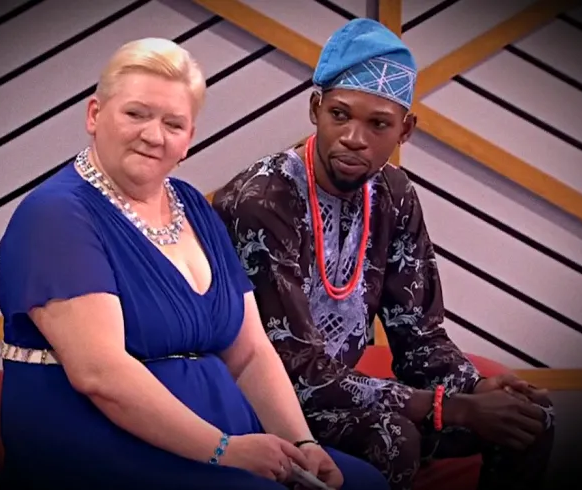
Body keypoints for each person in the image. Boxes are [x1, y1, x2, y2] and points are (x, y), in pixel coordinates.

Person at [0, 37, 390, 490]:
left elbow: (250, 351)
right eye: (136, 114)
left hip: (224, 442)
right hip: (105, 448)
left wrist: (301, 443)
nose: (153, 135)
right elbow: (100, 375)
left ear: (189, 140)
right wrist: (225, 451)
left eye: (173, 123)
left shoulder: (193, 205)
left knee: (363, 484)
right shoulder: (56, 215)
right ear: (94, 115)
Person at [212, 19, 555, 490]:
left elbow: (419, 335)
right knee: (392, 438)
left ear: (405, 129)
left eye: (378, 124)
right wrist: (448, 407)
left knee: (529, 420)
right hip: (261, 401)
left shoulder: (393, 194)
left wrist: (475, 387)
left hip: (346, 399)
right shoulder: (263, 200)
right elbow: (294, 369)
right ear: (315, 109)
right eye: (340, 115)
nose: (354, 137)